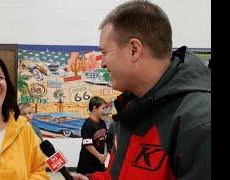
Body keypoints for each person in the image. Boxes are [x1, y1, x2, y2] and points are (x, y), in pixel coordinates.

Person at [73, 0, 211, 179]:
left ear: (134, 49)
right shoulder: (130, 109)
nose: (103, 63)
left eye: (105, 52)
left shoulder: (199, 122)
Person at [76, 96, 108, 176]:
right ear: (95, 108)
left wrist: (104, 155)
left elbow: (105, 140)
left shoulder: (103, 123)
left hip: (99, 162)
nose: (104, 111)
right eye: (103, 108)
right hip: (88, 163)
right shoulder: (87, 125)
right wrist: (99, 156)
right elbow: (88, 145)